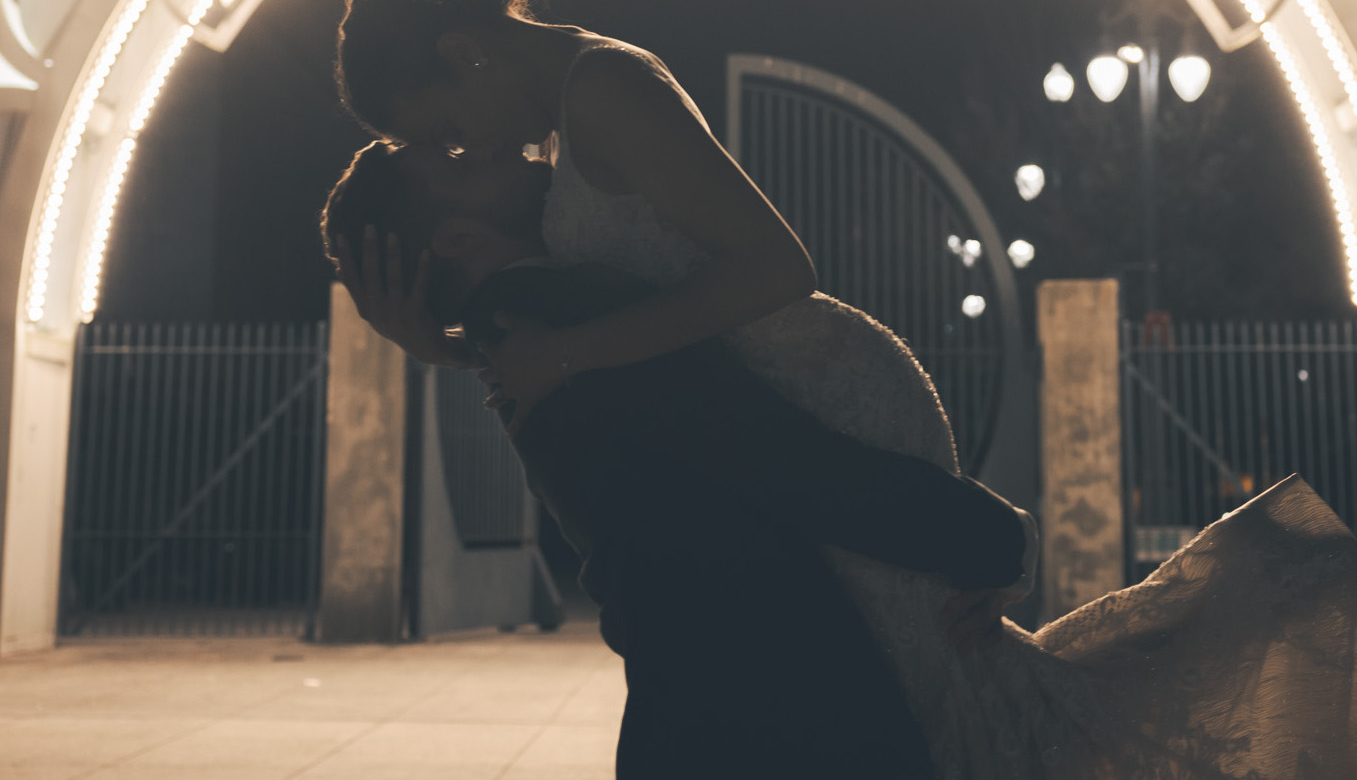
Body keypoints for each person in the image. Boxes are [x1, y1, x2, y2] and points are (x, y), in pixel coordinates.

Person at [335, 0, 1357, 779]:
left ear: (464, 51)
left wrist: (551, 350)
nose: (462, 150)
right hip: (745, 403)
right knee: (935, 691)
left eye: (438, 133)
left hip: (808, 384)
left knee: (927, 682)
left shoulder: (605, 88)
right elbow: (600, 373)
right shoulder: (568, 133)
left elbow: (770, 271)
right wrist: (442, 337)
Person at [323, 140, 1035, 778]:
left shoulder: (512, 334)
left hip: (701, 701)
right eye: (461, 159)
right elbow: (783, 461)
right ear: (457, 235)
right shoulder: (565, 315)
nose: (499, 143)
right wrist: (993, 539)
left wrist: (441, 343)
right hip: (774, 708)